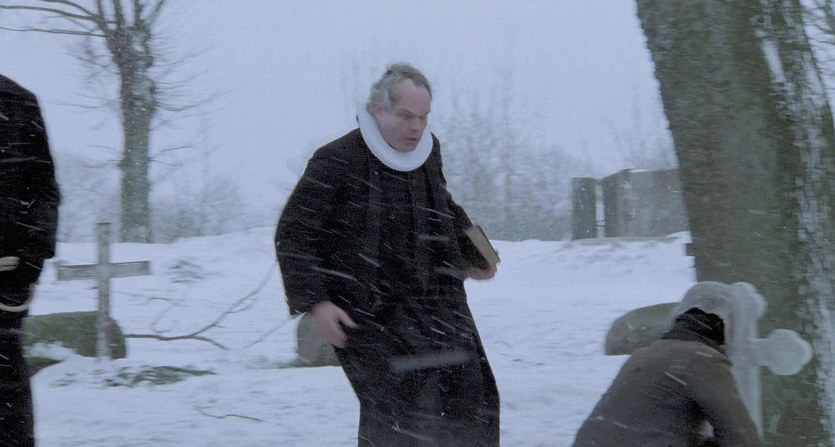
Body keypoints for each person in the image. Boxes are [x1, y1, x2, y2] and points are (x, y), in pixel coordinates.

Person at [275, 63, 500, 446]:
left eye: (423, 117)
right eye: (406, 116)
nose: (417, 127)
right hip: (368, 312)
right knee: (403, 419)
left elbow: (443, 206)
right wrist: (316, 303)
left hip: (437, 303)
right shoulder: (336, 160)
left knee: (473, 401)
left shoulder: (428, 152)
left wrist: (480, 252)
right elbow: (294, 233)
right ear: (378, 110)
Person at [571, 281, 765, 447]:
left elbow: (644, 425)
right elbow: (743, 439)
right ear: (729, 327)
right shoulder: (704, 360)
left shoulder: (643, 354)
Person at [0, 74, 60, 446]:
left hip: (6, 275)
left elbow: (43, 189)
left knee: (5, 384)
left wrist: (32, 257)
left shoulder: (16, 101)